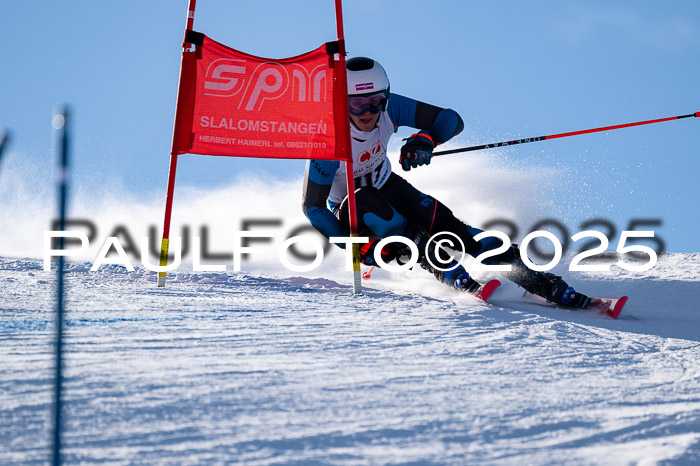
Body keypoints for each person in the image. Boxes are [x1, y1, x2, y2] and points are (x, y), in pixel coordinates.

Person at [302, 57, 587, 307]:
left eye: (375, 101)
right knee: (370, 202)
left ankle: (540, 282)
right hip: (353, 211)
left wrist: (426, 139)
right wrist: (351, 246)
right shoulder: (327, 140)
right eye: (357, 103)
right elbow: (313, 208)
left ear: (385, 97)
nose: (367, 111)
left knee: (456, 231)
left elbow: (451, 120)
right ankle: (444, 268)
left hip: (390, 186)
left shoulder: (390, 109)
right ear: (341, 102)